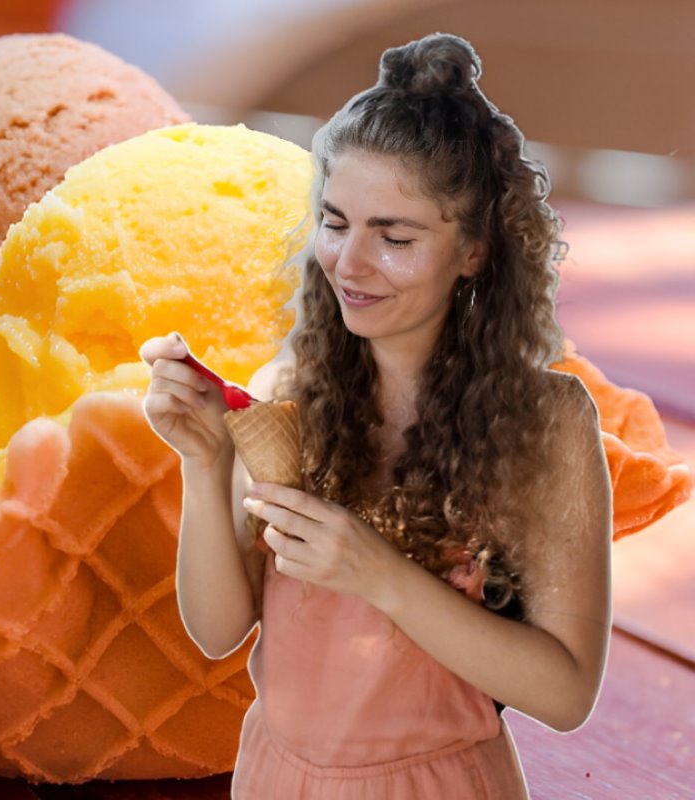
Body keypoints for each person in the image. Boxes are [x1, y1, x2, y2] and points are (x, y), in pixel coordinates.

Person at [140, 33, 612, 798]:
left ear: (475, 251)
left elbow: (564, 693)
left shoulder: (547, 423)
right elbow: (219, 631)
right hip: (274, 778)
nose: (349, 264)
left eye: (394, 236)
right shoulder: (289, 388)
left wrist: (377, 574)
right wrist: (205, 462)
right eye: (334, 222)